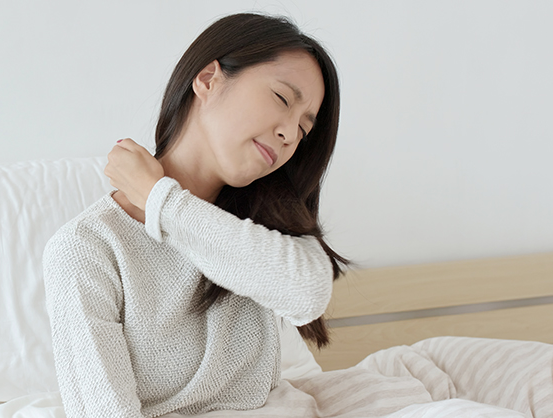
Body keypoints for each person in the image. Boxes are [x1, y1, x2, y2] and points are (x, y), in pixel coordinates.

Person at [43, 12, 348, 418]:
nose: (290, 135)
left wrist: (159, 200)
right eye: (281, 99)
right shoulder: (87, 247)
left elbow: (308, 294)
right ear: (208, 79)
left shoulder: (254, 224)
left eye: (304, 129)